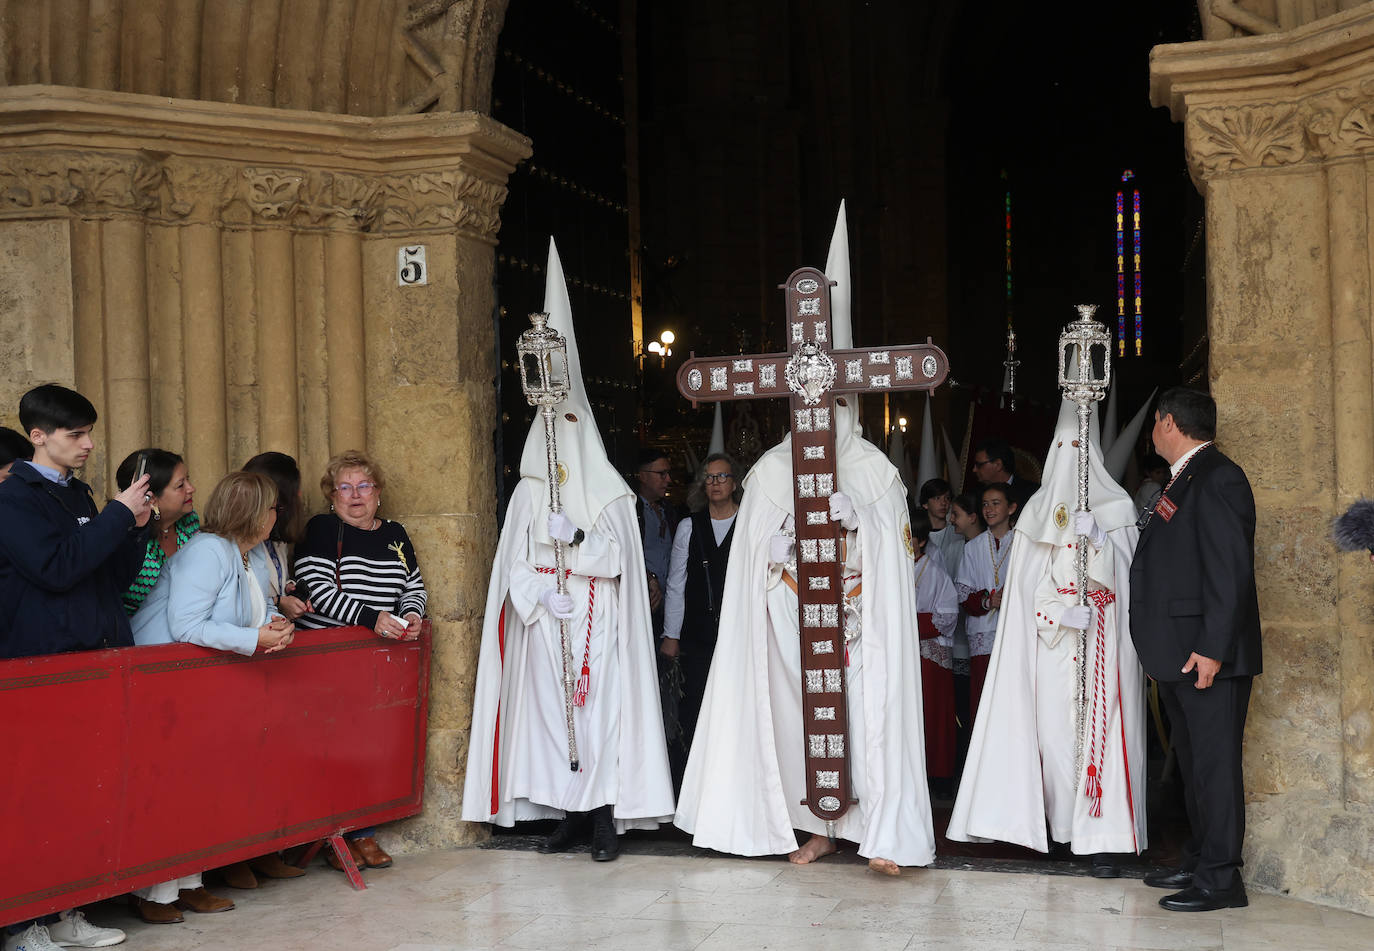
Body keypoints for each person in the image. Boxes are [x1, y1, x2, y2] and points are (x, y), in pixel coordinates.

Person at [675, 202, 935, 876]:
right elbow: (752, 559)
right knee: (798, 724)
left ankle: (876, 829)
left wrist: (865, 521)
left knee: (863, 723)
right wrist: (775, 554)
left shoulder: (875, 469)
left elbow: (900, 550)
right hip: (792, 620)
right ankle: (816, 826)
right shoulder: (766, 472)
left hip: (856, 622)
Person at [462, 238, 672, 863]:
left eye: (571, 425)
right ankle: (569, 814)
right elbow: (511, 569)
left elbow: (617, 562)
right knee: (554, 723)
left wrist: (575, 544)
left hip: (597, 623)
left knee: (600, 717)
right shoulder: (529, 493)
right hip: (547, 619)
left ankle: (604, 815)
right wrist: (536, 594)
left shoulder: (609, 494)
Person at [948, 399, 1148, 875]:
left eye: (1078, 445)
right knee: (1058, 746)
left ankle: (1103, 838)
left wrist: (1099, 541)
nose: (1070, 454)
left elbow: (1133, 578)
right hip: (1054, 651)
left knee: (1105, 743)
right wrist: (1059, 614)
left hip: (1104, 650)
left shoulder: (1117, 508)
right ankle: (1062, 832)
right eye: (1062, 446)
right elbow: (1024, 594)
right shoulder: (1038, 512)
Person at [0, 388, 135, 951]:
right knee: (32, 800)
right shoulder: (13, 500)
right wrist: (117, 516)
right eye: (75, 434)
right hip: (39, 667)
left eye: (89, 433)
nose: (87, 444)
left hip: (89, 657)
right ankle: (22, 925)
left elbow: (106, 579)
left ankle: (66, 912)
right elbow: (56, 570)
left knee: (79, 796)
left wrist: (135, 526)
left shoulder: (78, 493)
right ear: (38, 435)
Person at [129, 470, 293, 923]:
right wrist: (253, 639)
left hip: (198, 686)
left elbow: (250, 613)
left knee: (197, 784)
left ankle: (189, 881)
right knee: (169, 788)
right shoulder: (208, 551)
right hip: (164, 683)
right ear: (256, 515)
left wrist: (276, 628)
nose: (277, 515)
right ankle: (154, 892)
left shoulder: (242, 555)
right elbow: (186, 626)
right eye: (272, 507)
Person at [1130, 388, 1261, 912]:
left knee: (1215, 765)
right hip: (1181, 653)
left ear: (1167, 423)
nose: (1153, 430)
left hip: (1207, 656)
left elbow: (1230, 572)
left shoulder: (1218, 477)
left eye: (1155, 422)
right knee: (1193, 762)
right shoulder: (1184, 477)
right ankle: (1201, 857)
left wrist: (1213, 649)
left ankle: (1222, 879)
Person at [294, 448, 427, 872]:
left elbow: (413, 584)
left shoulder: (396, 533)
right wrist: (374, 619)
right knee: (336, 748)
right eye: (344, 488)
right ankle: (344, 837)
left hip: (382, 660)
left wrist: (411, 613)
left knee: (370, 747)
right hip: (331, 659)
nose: (355, 496)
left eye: (364, 486)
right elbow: (316, 589)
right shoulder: (321, 529)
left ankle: (360, 832)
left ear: (378, 492)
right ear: (331, 497)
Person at [223, 451, 312, 888]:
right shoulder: (218, 551)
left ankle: (263, 849)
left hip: (263, 659)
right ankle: (233, 857)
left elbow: (265, 594)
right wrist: (264, 625)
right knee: (236, 766)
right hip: (234, 662)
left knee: (267, 759)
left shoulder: (266, 549)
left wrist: (279, 611)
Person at [661, 452, 739, 785]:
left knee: (736, 708)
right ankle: (695, 786)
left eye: (722, 477)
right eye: (709, 477)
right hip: (698, 633)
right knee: (695, 707)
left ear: (734, 483)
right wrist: (671, 634)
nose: (715, 483)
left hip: (739, 634)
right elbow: (675, 584)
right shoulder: (688, 526)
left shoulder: (749, 521)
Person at [956, 482, 1017, 726]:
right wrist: (988, 600)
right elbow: (963, 594)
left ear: (1011, 508)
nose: (989, 509)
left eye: (996, 503)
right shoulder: (973, 548)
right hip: (982, 635)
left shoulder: (1024, 543)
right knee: (984, 704)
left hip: (1015, 632)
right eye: (985, 504)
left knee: (1013, 701)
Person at [910, 509, 959, 794]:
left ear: (920, 541)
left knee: (931, 714)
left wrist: (909, 623)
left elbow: (947, 616)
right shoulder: (891, 568)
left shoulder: (936, 572)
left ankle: (936, 775)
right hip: (902, 654)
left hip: (929, 655)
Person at [115, 449, 198, 615]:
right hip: (138, 633)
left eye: (188, 480)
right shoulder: (125, 537)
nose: (192, 489)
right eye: (180, 485)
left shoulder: (190, 522)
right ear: (151, 498)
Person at [635, 447, 677, 638]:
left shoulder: (669, 510)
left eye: (668, 474)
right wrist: (648, 577)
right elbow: (622, 553)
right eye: (661, 474)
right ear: (643, 476)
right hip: (641, 603)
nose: (668, 479)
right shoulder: (630, 511)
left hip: (669, 607)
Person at [972, 437, 1039, 508]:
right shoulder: (976, 496)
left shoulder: (1032, 493)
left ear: (998, 465)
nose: (974, 469)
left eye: (979, 465)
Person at [920, 478, 963, 581]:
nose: (943, 503)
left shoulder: (958, 533)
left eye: (947, 498)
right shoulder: (919, 535)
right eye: (937, 498)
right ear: (925, 504)